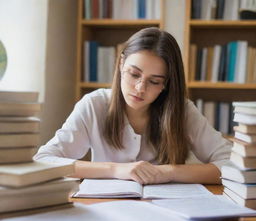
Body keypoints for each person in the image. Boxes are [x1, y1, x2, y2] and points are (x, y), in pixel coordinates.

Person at [34, 27, 231, 185]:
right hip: (105, 208)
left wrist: (168, 172)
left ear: (167, 84)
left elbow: (231, 166)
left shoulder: (183, 110)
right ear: (121, 64)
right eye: (134, 74)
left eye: (154, 81)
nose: (140, 88)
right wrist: (115, 169)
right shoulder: (94, 105)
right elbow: (43, 160)